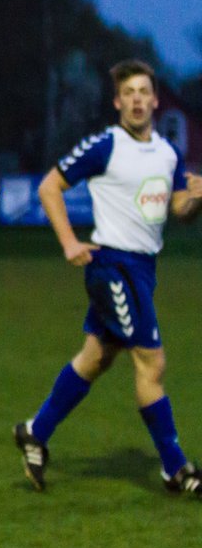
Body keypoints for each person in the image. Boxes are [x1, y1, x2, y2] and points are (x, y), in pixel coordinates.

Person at [13, 59, 202, 495]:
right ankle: (175, 467)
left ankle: (35, 431)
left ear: (156, 100)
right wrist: (68, 243)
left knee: (97, 357)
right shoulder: (105, 146)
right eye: (128, 93)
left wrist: (194, 200)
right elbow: (48, 187)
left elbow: (178, 212)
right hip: (112, 267)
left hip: (144, 269)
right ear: (118, 102)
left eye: (144, 92)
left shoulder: (168, 153)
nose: (137, 100)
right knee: (151, 362)